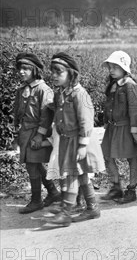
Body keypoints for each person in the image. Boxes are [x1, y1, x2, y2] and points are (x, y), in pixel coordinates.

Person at [36, 52, 105, 226]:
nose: (54, 76)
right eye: (52, 72)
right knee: (80, 175)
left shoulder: (79, 95)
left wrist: (82, 146)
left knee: (72, 174)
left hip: (80, 141)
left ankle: (66, 212)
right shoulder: (62, 93)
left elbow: (86, 121)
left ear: (71, 74)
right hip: (67, 140)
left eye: (59, 72)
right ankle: (92, 207)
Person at [13, 53, 60, 214]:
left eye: (26, 68)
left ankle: (36, 200)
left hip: (36, 132)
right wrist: (16, 132)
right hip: (25, 132)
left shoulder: (43, 89)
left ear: (34, 70)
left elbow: (46, 115)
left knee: (33, 165)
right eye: (20, 68)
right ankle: (53, 192)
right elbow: (18, 112)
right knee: (33, 163)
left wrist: (40, 135)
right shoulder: (21, 89)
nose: (21, 71)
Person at [100, 51, 137, 204]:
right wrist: (106, 121)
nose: (111, 70)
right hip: (113, 127)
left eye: (115, 67)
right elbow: (108, 106)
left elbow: (135, 108)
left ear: (124, 68)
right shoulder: (112, 85)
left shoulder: (130, 85)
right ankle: (115, 186)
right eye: (110, 67)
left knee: (131, 157)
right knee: (107, 155)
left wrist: (135, 131)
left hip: (126, 127)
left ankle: (131, 189)